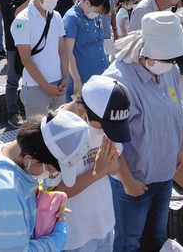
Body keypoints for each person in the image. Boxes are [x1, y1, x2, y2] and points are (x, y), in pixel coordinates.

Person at [104, 11, 183, 251]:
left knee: (156, 235)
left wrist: (178, 148)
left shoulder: (170, 71)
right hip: (135, 180)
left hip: (165, 173)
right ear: (145, 53)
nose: (173, 62)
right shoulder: (118, 80)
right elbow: (108, 141)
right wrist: (127, 180)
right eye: (168, 56)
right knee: (128, 242)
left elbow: (176, 111)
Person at [0, 112, 79, 251]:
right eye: (52, 170)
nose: (50, 175)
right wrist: (58, 237)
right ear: (34, 157)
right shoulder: (4, 192)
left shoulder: (13, 154)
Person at [54, 76, 132, 252]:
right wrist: (97, 172)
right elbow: (52, 193)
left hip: (104, 225)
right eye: (105, 126)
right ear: (82, 112)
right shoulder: (55, 135)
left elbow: (115, 165)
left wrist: (112, 167)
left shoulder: (103, 120)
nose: (107, 132)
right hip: (74, 237)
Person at [12, 0, 69, 116]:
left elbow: (62, 50)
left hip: (58, 83)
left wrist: (66, 77)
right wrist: (46, 86)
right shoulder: (22, 20)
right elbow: (26, 59)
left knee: (59, 131)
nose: (55, 0)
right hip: (35, 86)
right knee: (36, 134)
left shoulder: (55, 16)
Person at [0, 0, 37, 128]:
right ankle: (12, 112)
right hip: (14, 45)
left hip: (33, 43)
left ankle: (26, 108)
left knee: (31, 78)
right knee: (13, 79)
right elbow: (16, 13)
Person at [63, 0, 110, 102]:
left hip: (100, 74)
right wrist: (77, 81)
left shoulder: (94, 15)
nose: (98, 14)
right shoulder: (72, 18)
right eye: (97, 11)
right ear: (88, 3)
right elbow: (67, 52)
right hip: (82, 77)